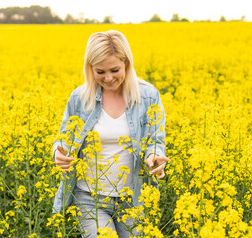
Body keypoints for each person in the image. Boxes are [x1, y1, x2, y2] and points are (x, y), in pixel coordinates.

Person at [52, 30, 169, 238]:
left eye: (115, 70)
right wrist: (58, 155)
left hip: (133, 198)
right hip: (89, 197)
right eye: (100, 72)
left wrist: (154, 158)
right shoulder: (80, 98)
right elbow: (64, 139)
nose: (108, 78)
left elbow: (154, 141)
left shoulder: (148, 96)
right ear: (90, 69)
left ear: (127, 63)